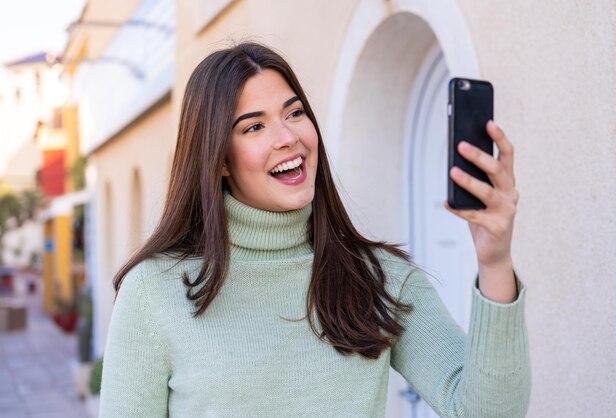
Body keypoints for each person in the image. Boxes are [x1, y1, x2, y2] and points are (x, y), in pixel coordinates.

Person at [99, 42, 530, 417]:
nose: (287, 137)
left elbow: (487, 411)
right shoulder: (154, 292)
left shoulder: (381, 280)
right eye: (254, 126)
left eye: (295, 112)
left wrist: (495, 262)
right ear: (220, 160)